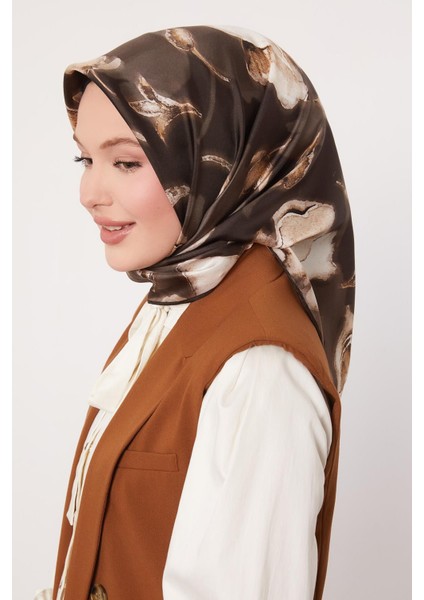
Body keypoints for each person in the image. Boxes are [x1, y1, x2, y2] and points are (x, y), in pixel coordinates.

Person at [35, 24, 355, 600]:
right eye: (85, 158)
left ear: (222, 159)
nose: (89, 192)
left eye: (126, 162)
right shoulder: (181, 299)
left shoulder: (259, 367)